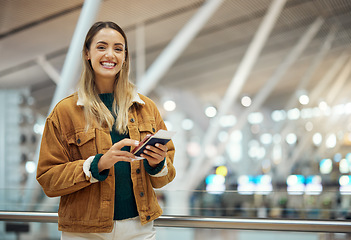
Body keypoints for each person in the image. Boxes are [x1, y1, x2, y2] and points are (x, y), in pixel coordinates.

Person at [36, 21, 176, 240]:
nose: (110, 54)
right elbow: (48, 179)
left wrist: (157, 163)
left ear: (125, 57)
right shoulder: (64, 112)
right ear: (87, 53)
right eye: (101, 47)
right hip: (83, 232)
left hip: (139, 229)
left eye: (118, 49)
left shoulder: (146, 108)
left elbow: (165, 177)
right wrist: (98, 164)